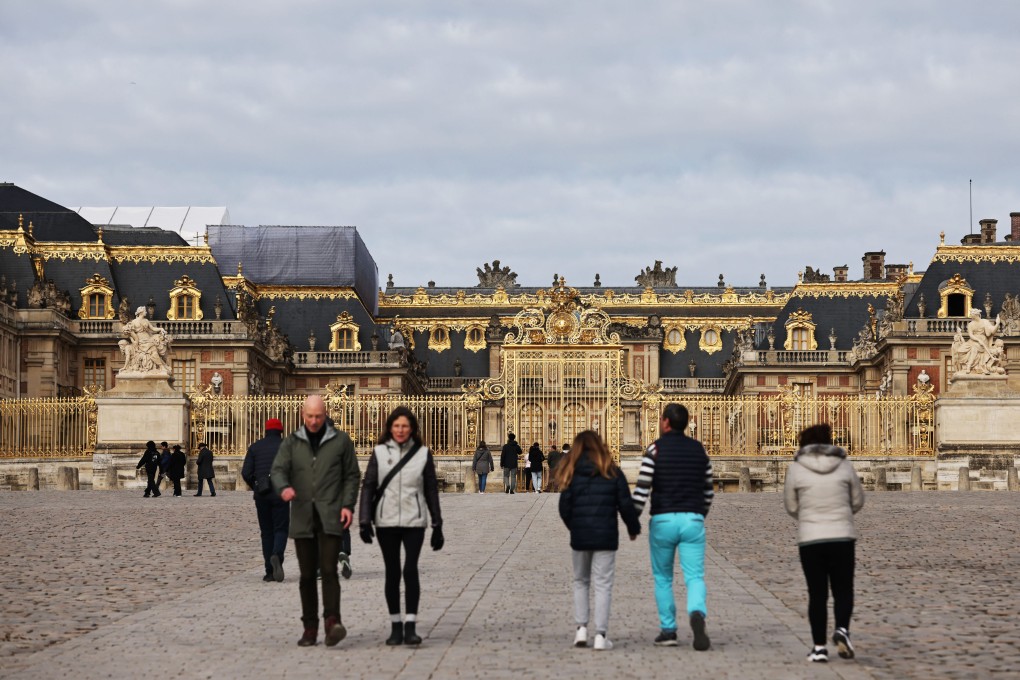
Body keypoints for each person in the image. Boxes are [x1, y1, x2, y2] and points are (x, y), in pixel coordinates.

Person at [271, 395, 360, 647]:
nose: (313, 421)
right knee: (307, 574)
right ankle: (310, 627)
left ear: (325, 414)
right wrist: (283, 487)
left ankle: (332, 622)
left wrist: (347, 505)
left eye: (318, 416)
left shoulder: (341, 441)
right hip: (303, 517)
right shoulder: (291, 442)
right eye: (310, 416)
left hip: (331, 515)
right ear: (303, 415)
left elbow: (352, 475)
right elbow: (277, 470)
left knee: (329, 571)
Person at [359, 406, 444, 646]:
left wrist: (437, 524)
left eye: (405, 426)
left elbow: (430, 489)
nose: (400, 430)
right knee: (392, 571)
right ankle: (396, 625)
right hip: (385, 520)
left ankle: (411, 625)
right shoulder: (379, 452)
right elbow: (369, 485)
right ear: (390, 428)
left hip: (414, 519)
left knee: (410, 569)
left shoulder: (423, 454)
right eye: (396, 426)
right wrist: (364, 520)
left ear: (412, 429)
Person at [632, 403, 714, 651]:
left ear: (666, 422)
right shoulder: (699, 450)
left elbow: (642, 490)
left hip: (663, 520)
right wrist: (699, 515)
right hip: (692, 519)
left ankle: (668, 630)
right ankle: (697, 612)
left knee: (663, 578)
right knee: (695, 576)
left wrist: (632, 520)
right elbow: (708, 491)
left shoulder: (654, 449)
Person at [784, 423, 865, 663]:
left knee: (817, 593)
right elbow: (858, 500)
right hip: (842, 536)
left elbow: (791, 505)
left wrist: (808, 517)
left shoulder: (796, 468)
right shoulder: (844, 465)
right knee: (843, 589)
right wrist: (842, 514)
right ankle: (842, 629)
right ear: (829, 442)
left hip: (811, 538)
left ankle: (819, 648)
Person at [557, 431, 641, 651]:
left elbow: (564, 507)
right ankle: (601, 636)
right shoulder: (612, 471)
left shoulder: (571, 472)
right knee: (603, 585)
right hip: (606, 536)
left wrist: (575, 527)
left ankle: (581, 630)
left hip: (580, 536)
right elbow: (625, 504)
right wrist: (633, 528)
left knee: (580, 581)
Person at [242, 418, 290, 583]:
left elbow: (246, 472)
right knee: (281, 529)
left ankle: (269, 572)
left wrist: (256, 486)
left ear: (266, 430)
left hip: (262, 494)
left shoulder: (255, 447)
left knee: (267, 532)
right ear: (281, 431)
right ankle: (277, 554)